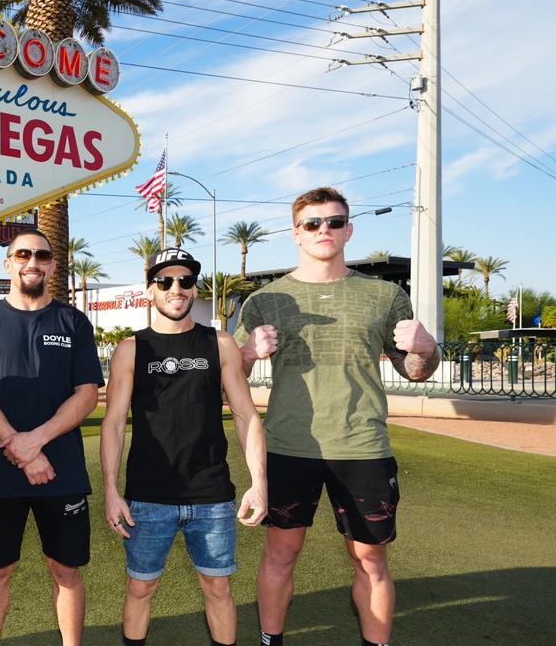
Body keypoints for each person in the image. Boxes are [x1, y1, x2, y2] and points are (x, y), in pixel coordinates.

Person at [234, 187, 440, 646]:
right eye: (312, 224)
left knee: (370, 560)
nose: (323, 230)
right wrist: (248, 352)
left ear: (349, 229)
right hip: (289, 446)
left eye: (334, 221)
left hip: (362, 447)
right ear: (295, 234)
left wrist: (427, 348)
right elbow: (233, 380)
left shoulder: (385, 295)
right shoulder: (265, 300)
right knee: (280, 555)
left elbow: (416, 370)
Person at [101, 247, 268, 646]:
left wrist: (259, 483)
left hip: (211, 496)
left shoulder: (221, 345)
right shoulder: (131, 350)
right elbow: (113, 424)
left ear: (194, 289)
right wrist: (111, 491)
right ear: (150, 291)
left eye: (185, 280)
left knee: (219, 589)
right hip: (147, 497)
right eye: (165, 281)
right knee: (140, 589)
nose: (176, 288)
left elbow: (246, 416)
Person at [0, 228, 104, 646]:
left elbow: (86, 395)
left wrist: (36, 440)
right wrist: (21, 449)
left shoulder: (73, 322)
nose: (33, 262)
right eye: (23, 254)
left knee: (66, 570)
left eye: (42, 255)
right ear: (8, 264)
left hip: (62, 472)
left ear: (53, 266)